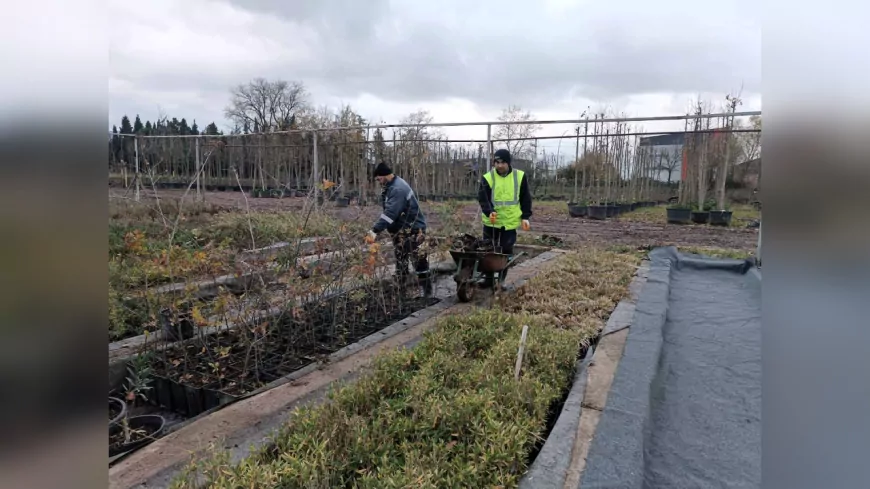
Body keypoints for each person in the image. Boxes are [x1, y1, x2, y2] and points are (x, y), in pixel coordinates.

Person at [365, 162, 432, 295]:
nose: (378, 181)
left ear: (384, 176)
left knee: (419, 261)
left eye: (378, 179)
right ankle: (400, 290)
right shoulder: (391, 186)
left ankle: (427, 292)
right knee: (401, 261)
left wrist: (375, 231)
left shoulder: (397, 189)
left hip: (413, 230)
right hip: (401, 231)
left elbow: (390, 213)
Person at [478, 148, 532, 257]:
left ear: (508, 162)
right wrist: (489, 212)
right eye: (497, 163)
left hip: (509, 221)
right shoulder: (488, 177)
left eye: (503, 162)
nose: (500, 165)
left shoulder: (520, 176)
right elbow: (483, 199)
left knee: (506, 250)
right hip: (492, 221)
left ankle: (505, 271)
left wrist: (525, 217)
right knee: (488, 249)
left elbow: (525, 197)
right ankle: (488, 271)